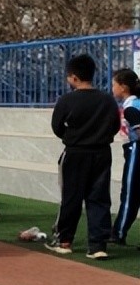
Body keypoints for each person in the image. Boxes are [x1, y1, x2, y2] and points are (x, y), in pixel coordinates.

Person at [46, 54, 120, 259]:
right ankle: (97, 246)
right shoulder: (107, 99)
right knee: (99, 198)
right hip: (102, 152)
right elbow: (114, 126)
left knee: (71, 197)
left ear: (74, 77)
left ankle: (65, 240)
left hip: (75, 153)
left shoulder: (67, 100)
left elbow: (57, 126)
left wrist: (72, 137)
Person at [110, 68, 140, 247]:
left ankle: (118, 233)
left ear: (123, 87)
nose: (112, 88)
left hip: (137, 150)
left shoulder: (130, 107)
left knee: (130, 194)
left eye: (114, 84)